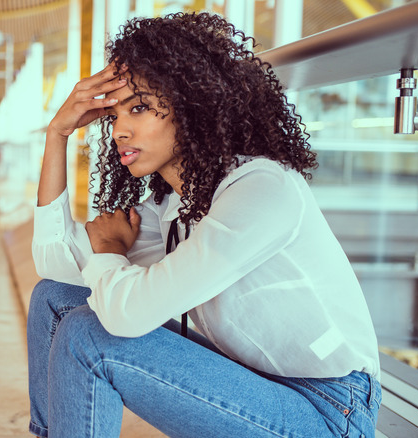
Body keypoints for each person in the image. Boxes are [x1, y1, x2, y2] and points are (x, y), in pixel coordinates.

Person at [28, 11, 380, 438]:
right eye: (113, 116)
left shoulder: (261, 189)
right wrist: (57, 134)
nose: (120, 130)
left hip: (329, 411)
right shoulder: (172, 207)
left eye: (138, 108)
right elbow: (54, 262)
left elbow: (128, 317)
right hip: (255, 385)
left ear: (193, 104)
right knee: (55, 298)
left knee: (89, 333)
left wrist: (109, 252)